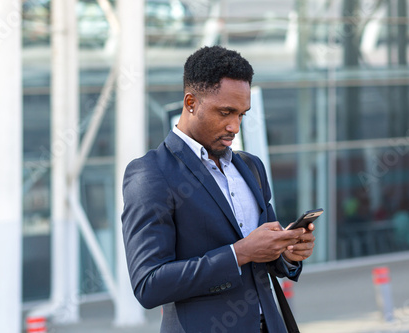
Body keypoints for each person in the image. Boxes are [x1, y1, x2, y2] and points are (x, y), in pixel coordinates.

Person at [121, 45, 316, 333]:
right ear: (190, 103)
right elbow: (149, 284)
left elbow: (264, 262)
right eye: (225, 112)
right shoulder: (151, 173)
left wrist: (286, 252)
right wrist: (239, 253)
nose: (235, 126)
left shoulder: (251, 167)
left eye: (241, 115)